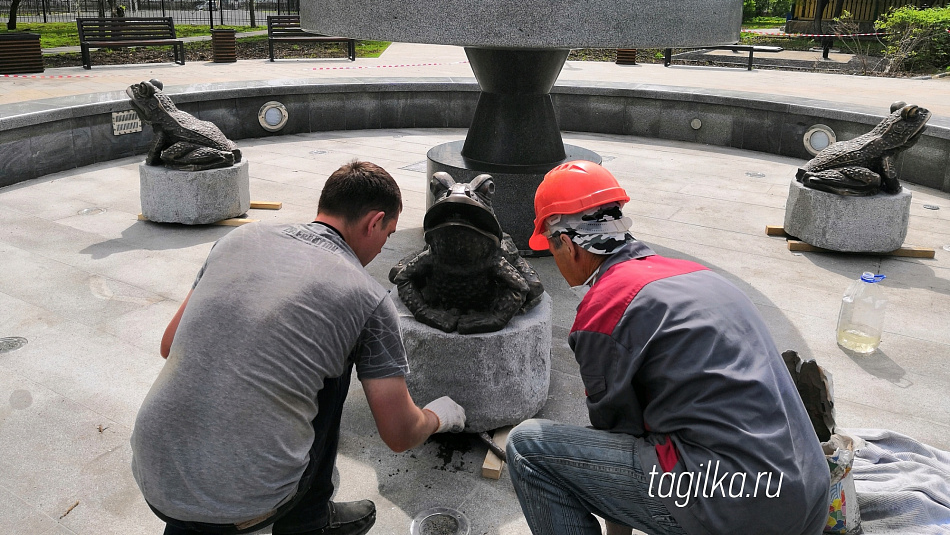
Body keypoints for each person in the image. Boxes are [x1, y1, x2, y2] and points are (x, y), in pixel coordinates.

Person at [131, 160, 466, 535]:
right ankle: (309, 521)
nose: (381, 247)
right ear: (374, 222)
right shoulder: (367, 297)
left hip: (153, 471)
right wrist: (439, 416)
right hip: (249, 498)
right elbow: (399, 434)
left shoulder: (240, 240)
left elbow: (168, 344)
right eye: (386, 235)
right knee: (337, 367)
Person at [507, 160, 830, 535]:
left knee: (529, 447)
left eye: (550, 247)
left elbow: (618, 435)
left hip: (740, 505)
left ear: (566, 244)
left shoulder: (606, 309)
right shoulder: (700, 276)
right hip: (810, 492)